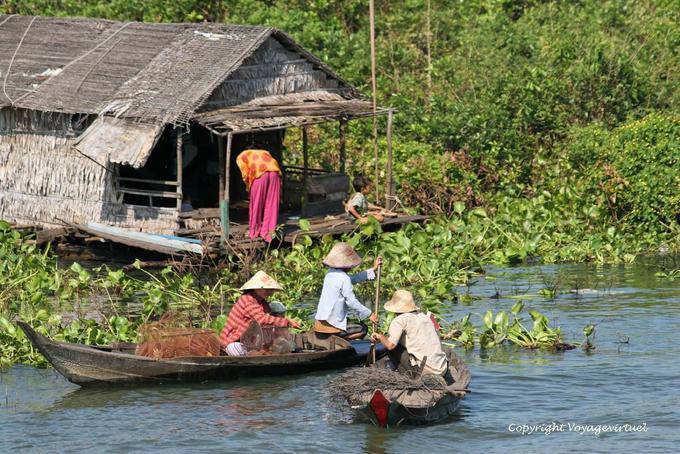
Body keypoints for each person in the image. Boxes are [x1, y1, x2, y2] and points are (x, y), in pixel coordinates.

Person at [371, 289, 453, 384]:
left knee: (392, 349)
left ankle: (408, 377)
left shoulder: (399, 320)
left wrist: (380, 336)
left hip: (425, 371)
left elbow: (390, 345)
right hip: (442, 368)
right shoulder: (424, 316)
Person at [219, 271, 300, 356]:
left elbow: (267, 322)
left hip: (248, 341)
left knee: (273, 343)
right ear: (256, 288)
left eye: (271, 289)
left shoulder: (262, 302)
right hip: (233, 341)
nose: (269, 292)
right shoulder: (247, 300)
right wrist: (287, 321)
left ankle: (259, 353)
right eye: (266, 289)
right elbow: (262, 319)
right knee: (234, 348)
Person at [314, 242, 381, 340]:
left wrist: (373, 269)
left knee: (350, 321)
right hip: (332, 325)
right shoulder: (344, 278)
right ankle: (340, 342)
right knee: (363, 329)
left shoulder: (330, 274)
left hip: (320, 322)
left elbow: (353, 278)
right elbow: (352, 302)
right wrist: (369, 314)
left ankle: (337, 339)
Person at [236, 148, 282, 242]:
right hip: (274, 171)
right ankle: (268, 233)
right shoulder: (265, 152)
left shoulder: (241, 157)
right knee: (272, 203)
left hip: (259, 173)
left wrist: (248, 187)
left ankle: (254, 232)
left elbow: (245, 174)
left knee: (256, 204)